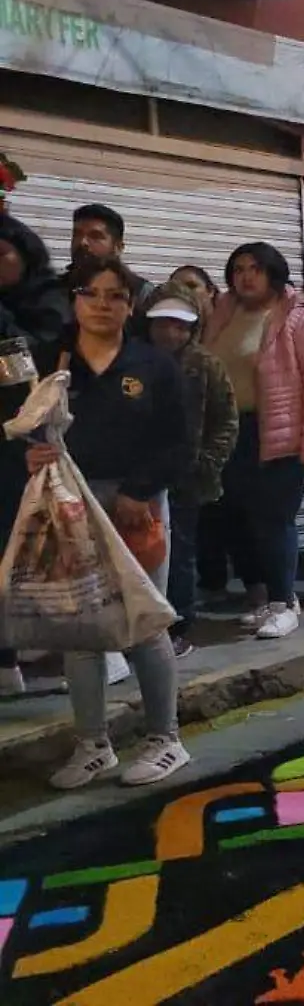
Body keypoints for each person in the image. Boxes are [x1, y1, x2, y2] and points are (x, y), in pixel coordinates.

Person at [39, 258, 191, 788]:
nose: (103, 304)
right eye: (92, 293)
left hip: (136, 505)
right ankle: (92, 744)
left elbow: (179, 441)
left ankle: (165, 738)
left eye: (116, 295)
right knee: (80, 630)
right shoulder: (51, 361)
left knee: (143, 623)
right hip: (71, 503)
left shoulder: (155, 366)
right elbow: (24, 426)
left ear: (132, 305)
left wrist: (139, 491)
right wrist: (31, 454)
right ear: (74, 300)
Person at [203, 242, 304, 639]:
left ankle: (285, 601)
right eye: (239, 268)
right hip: (230, 434)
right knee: (240, 521)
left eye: (256, 268)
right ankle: (265, 600)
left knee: (274, 519)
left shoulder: (300, 319)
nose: (246, 276)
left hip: (279, 434)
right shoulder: (223, 314)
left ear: (273, 273)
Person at [0, 213, 76, 697]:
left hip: (33, 447)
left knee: (44, 555)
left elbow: (28, 367)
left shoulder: (49, 302)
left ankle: (83, 655)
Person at [141, 284, 238, 658]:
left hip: (186, 479)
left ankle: (180, 624)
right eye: (161, 324)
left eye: (179, 325)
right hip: (140, 478)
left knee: (180, 554)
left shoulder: (206, 365)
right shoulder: (135, 361)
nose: (170, 333)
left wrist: (206, 463)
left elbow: (225, 421)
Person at [67, 204, 157, 308]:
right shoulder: (54, 289)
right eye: (77, 234)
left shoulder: (141, 293)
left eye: (95, 236)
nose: (83, 242)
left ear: (118, 247)